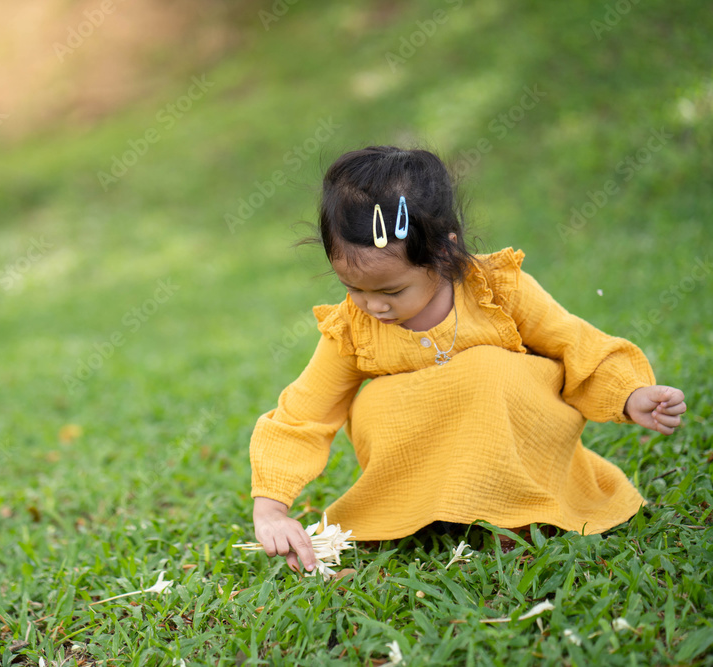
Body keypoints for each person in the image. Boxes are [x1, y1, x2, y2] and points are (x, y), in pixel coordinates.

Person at [249, 146, 687, 573]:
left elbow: (576, 344)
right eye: (353, 288)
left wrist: (629, 394)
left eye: (391, 291)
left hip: (517, 445)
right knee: (374, 403)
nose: (372, 306)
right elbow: (303, 413)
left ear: (445, 253)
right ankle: (426, 508)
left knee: (489, 370)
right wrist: (271, 508)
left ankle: (516, 513)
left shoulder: (497, 290)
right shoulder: (353, 329)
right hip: (421, 465)